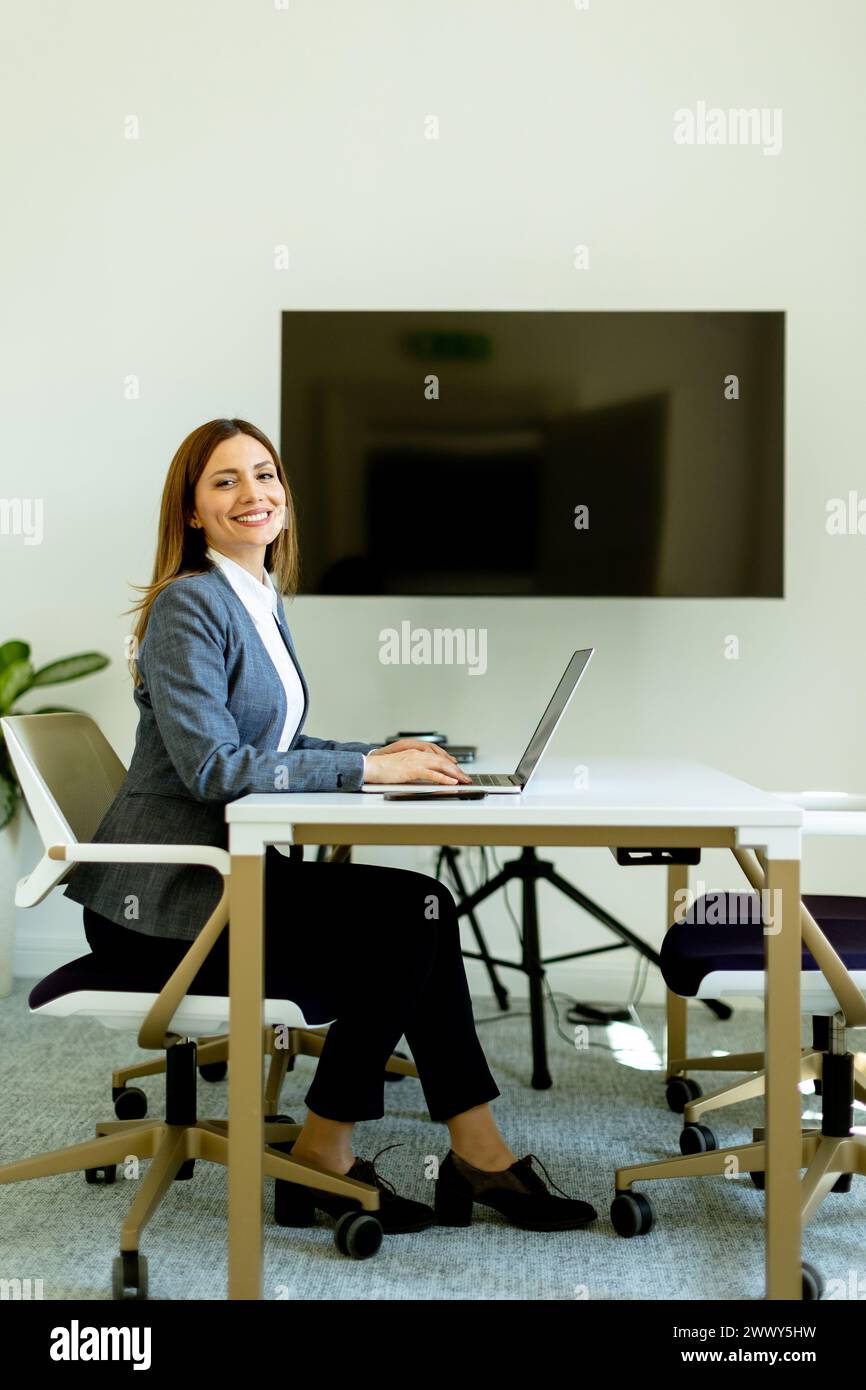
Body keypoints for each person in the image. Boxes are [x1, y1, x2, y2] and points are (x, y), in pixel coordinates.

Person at [64, 417, 597, 1237]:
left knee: (420, 909)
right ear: (193, 510)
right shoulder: (188, 605)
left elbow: (270, 745)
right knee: (409, 923)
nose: (254, 493)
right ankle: (341, 1154)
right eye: (226, 481)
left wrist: (382, 753)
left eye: (266, 475)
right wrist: (368, 771)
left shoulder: (255, 598)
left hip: (226, 880)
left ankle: (464, 1147)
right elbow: (213, 766)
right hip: (167, 906)